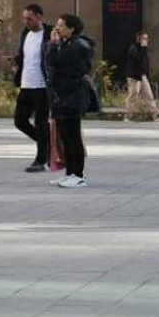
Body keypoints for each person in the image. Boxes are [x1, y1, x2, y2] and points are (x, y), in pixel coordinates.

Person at [46, 14, 95, 188]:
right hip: (62, 96)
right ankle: (70, 173)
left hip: (72, 96)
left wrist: (53, 44)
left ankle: (79, 174)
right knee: (65, 138)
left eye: (61, 25)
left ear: (71, 28)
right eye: (56, 25)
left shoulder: (76, 46)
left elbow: (53, 61)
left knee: (73, 138)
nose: (57, 28)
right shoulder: (67, 44)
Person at [12, 3, 54, 173]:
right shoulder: (25, 34)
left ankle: (40, 159)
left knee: (41, 123)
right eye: (24, 18)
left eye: (29, 18)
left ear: (39, 17)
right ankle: (48, 145)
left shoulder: (49, 33)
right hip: (26, 84)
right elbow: (24, 56)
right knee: (19, 121)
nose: (26, 21)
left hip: (42, 86)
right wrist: (16, 60)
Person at [124, 31, 159, 122]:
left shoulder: (145, 50)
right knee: (133, 95)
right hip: (134, 76)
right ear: (139, 39)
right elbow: (138, 58)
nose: (146, 41)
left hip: (143, 76)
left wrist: (147, 75)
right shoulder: (133, 49)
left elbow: (145, 63)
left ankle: (155, 114)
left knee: (149, 95)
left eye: (147, 39)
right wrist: (143, 48)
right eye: (144, 39)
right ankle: (128, 115)